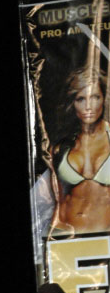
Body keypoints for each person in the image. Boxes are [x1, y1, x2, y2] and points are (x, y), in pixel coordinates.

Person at [52, 66, 110, 233]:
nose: (88, 107)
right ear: (73, 103)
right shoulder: (61, 147)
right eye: (80, 99)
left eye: (95, 97)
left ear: (104, 99)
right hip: (67, 234)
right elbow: (56, 199)